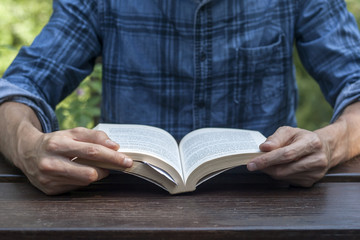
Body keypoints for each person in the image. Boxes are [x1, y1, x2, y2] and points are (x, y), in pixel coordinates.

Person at [1, 0, 360, 195]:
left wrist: (329, 144)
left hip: (266, 203)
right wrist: (28, 146)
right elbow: (19, 89)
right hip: (127, 206)